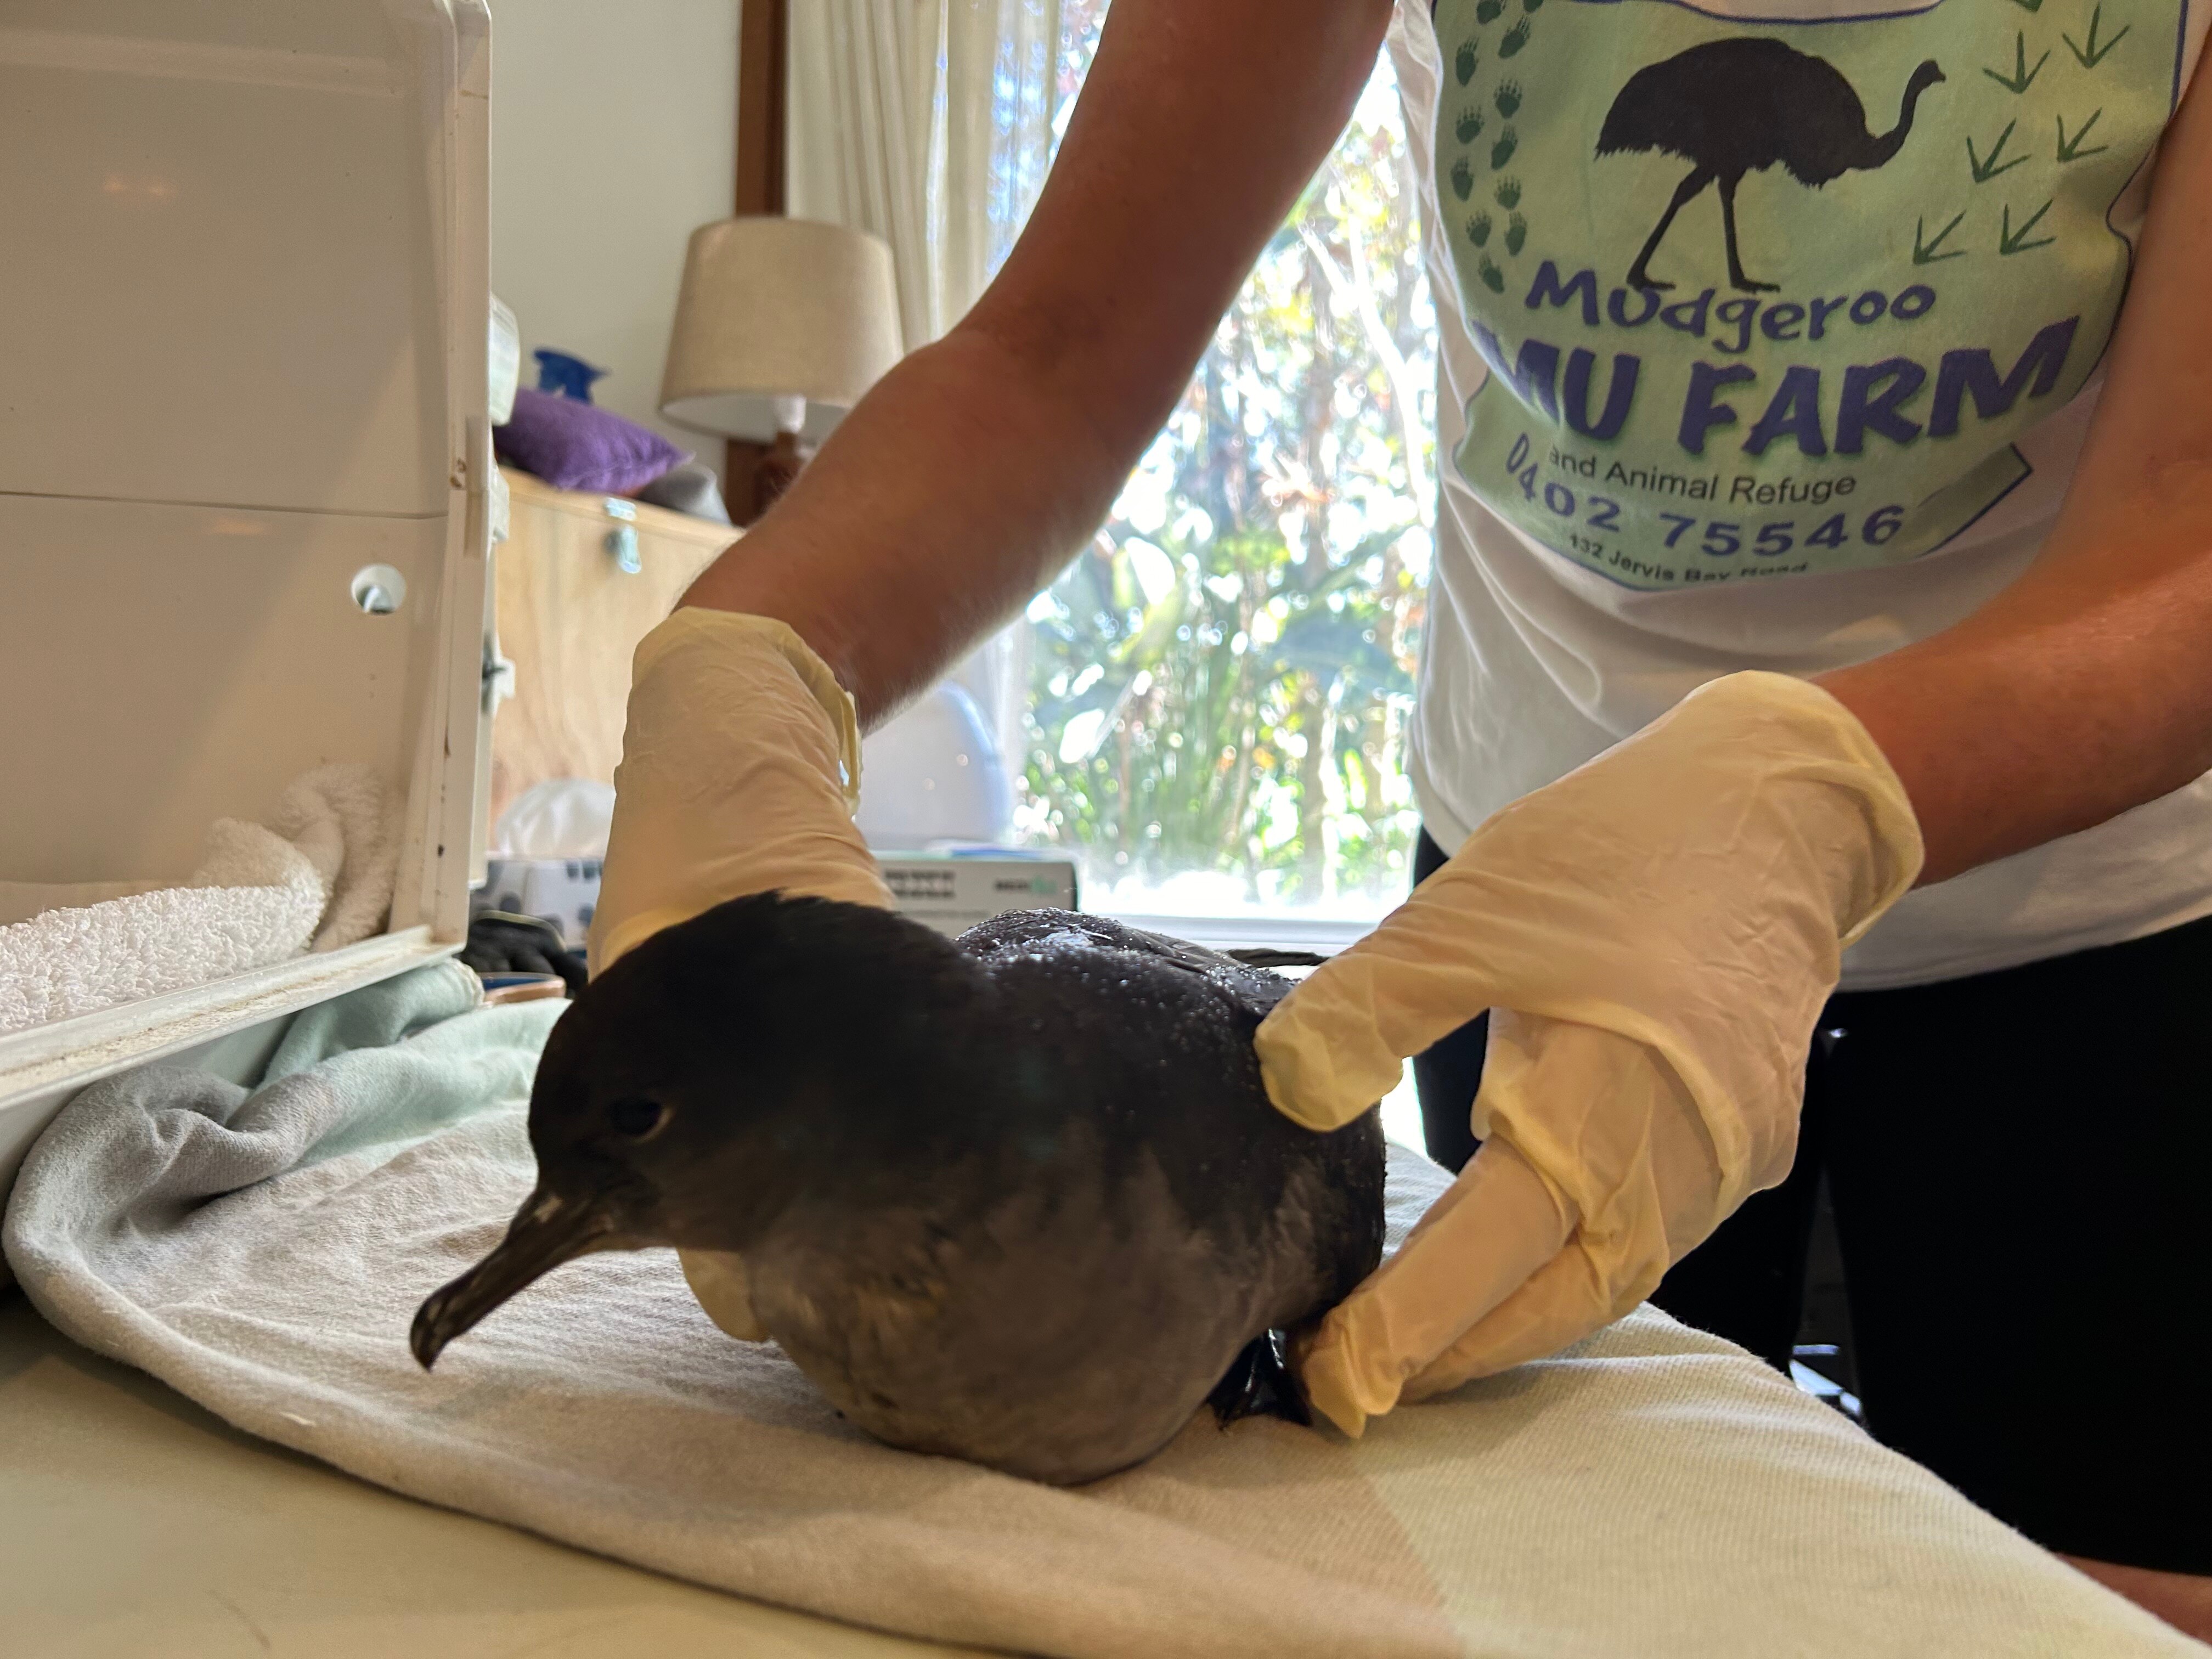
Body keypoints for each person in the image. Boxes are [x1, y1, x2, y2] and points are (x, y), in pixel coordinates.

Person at [595, 0, 2212, 1634]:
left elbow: (2190, 528)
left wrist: (1817, 804)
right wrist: (747, 660)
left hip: (2093, 921)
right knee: (1562, 1579)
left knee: (2117, 1594)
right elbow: (1053, 356)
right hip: (1540, 912)